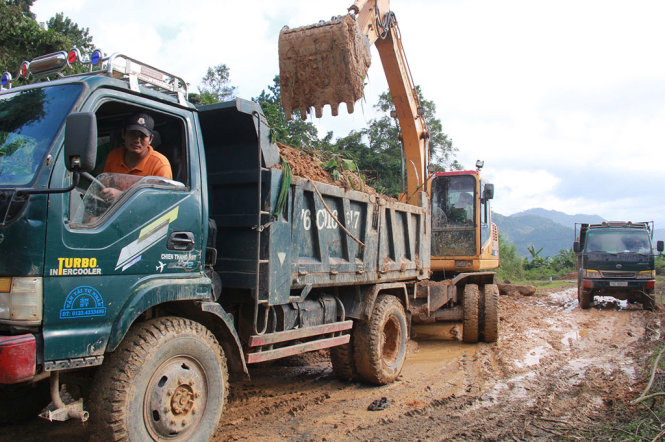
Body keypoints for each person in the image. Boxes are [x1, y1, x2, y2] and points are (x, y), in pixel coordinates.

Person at [100, 112, 172, 200]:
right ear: (123, 134)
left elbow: (162, 200)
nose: (137, 140)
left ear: (150, 139)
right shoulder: (114, 156)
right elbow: (104, 186)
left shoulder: (160, 164)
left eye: (142, 136)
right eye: (132, 134)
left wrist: (121, 196)